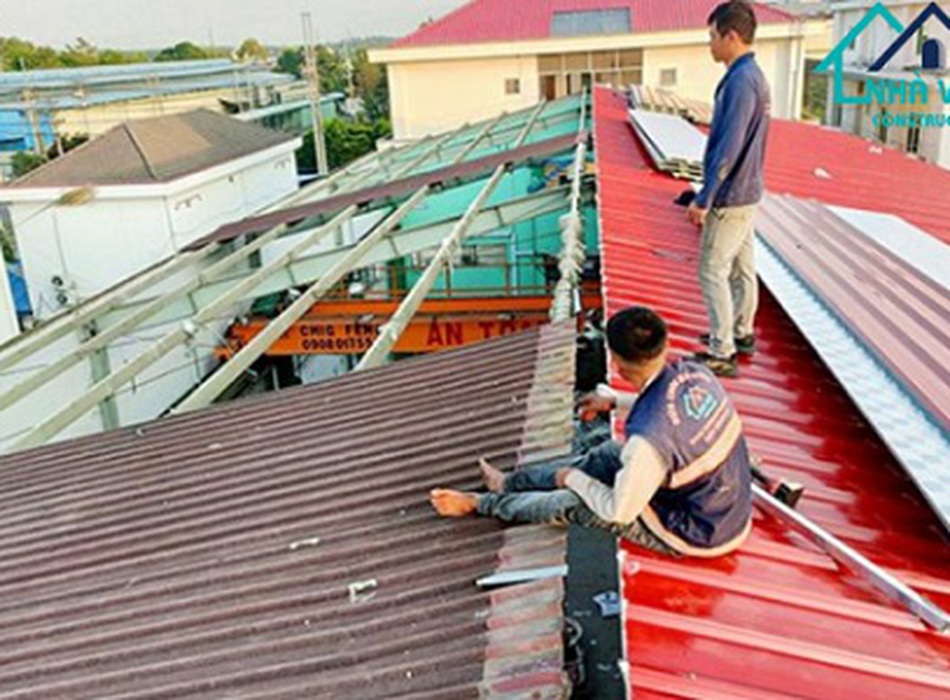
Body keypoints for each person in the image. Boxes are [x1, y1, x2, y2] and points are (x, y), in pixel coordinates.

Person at [430, 307, 753, 558]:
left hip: (698, 532)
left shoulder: (646, 444)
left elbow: (618, 511)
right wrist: (612, 402)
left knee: (573, 502)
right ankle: (508, 484)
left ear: (617, 363)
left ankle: (482, 504)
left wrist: (571, 478)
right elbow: (672, 412)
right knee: (607, 454)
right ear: (664, 345)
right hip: (721, 506)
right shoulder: (695, 374)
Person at [686, 1, 771, 378]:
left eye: (713, 36)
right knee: (742, 267)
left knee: (712, 270)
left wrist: (705, 197)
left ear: (731, 36)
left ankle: (723, 350)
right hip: (748, 192)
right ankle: (741, 331)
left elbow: (729, 146)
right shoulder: (752, 76)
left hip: (731, 194)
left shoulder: (740, 81)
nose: (710, 44)